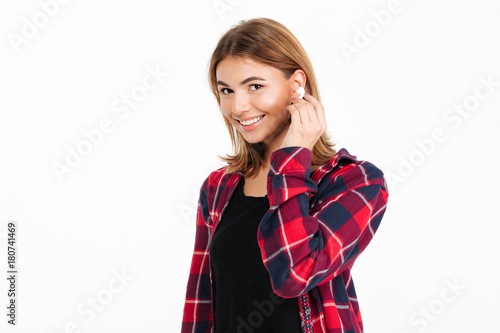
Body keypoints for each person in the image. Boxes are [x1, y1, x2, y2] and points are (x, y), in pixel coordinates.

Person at [181, 17, 389, 333]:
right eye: (226, 90)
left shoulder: (356, 182)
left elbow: (296, 273)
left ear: (296, 85)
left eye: (255, 86)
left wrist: (291, 161)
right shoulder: (218, 187)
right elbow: (202, 303)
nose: (237, 106)